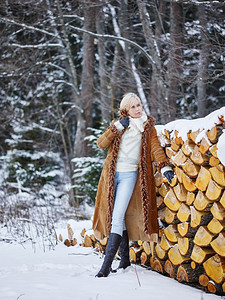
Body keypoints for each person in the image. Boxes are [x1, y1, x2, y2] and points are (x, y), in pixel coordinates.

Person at [92, 93, 174, 277]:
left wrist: (164, 167)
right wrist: (116, 128)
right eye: (133, 107)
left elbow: (155, 148)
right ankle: (125, 260)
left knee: (118, 215)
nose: (138, 109)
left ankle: (105, 267)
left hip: (130, 176)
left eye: (139, 105)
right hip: (111, 176)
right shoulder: (119, 124)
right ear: (126, 110)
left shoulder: (147, 126)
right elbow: (101, 144)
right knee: (116, 215)